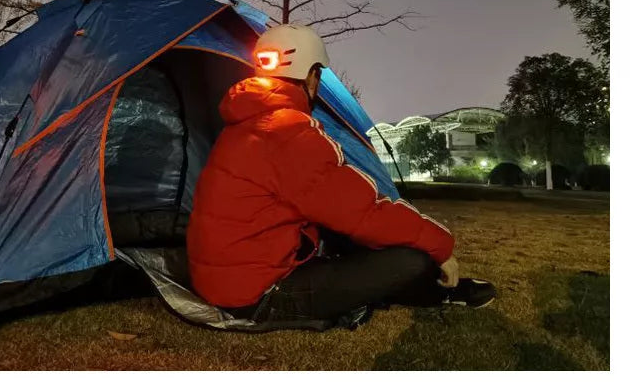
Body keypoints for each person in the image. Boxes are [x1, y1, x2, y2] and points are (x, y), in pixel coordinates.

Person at [186, 24, 495, 325]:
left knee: (350, 235)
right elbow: (364, 212)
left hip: (223, 281)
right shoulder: (287, 131)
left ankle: (426, 288)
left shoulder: (245, 123)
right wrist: (440, 246)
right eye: (318, 74)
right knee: (409, 259)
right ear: (311, 75)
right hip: (256, 294)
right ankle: (440, 292)